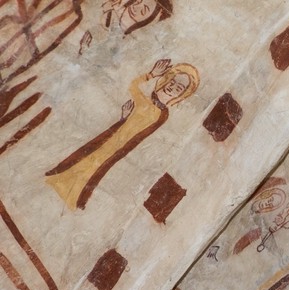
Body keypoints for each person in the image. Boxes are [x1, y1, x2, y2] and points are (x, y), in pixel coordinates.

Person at [46, 58, 198, 210]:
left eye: (178, 88)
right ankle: (60, 181)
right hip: (111, 137)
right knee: (86, 158)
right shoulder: (145, 100)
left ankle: (74, 197)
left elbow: (142, 134)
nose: (172, 87)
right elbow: (133, 86)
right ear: (166, 79)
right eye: (172, 82)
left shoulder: (162, 115)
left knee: (95, 169)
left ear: (181, 95)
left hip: (121, 147)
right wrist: (151, 75)